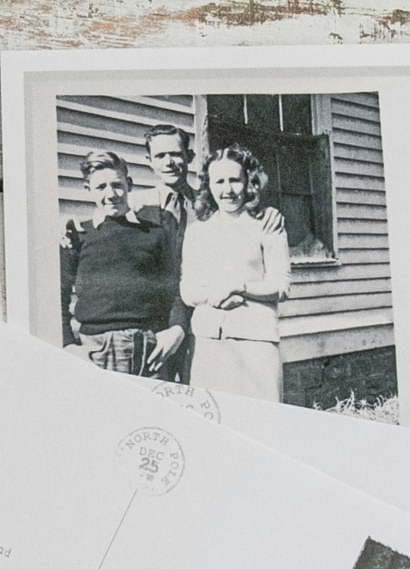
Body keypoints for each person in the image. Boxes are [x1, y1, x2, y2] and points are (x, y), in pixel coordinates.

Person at [59, 149, 184, 376]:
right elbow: (58, 295)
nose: (111, 194)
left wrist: (176, 328)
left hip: (151, 345)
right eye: (100, 187)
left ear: (129, 184)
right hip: (97, 348)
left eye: (117, 185)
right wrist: (68, 346)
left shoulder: (155, 233)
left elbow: (174, 289)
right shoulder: (77, 234)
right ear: (88, 190)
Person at [180, 145, 289, 401]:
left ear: (248, 182)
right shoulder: (197, 231)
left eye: (234, 180)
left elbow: (281, 286)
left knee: (260, 423)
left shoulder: (267, 225)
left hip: (257, 340)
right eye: (219, 181)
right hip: (208, 342)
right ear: (209, 186)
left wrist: (240, 286)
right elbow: (188, 290)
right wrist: (215, 296)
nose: (227, 190)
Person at [134, 125, 201, 383]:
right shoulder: (135, 207)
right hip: (153, 322)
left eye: (175, 154)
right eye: (160, 156)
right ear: (149, 160)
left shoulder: (209, 206)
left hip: (198, 319)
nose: (169, 162)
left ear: (189, 157)